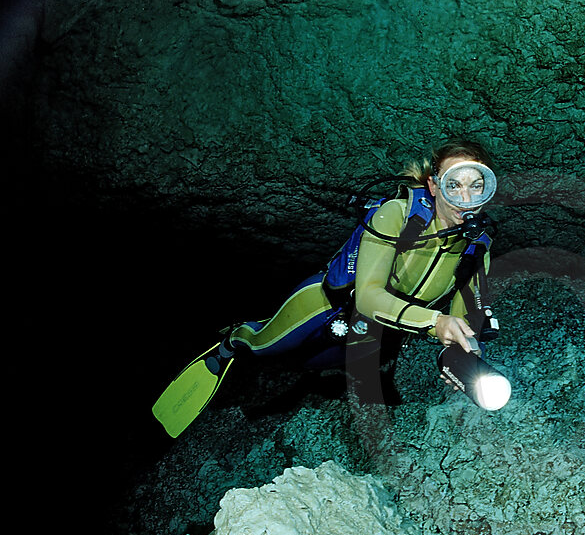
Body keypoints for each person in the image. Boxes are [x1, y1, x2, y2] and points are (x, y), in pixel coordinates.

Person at [152, 137, 499, 438]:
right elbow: (368, 296)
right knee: (264, 348)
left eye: (476, 185)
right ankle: (232, 340)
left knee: (303, 366)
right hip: (323, 306)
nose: (465, 197)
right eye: (454, 184)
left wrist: (463, 357)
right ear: (434, 186)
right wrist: (435, 323)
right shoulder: (395, 214)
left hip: (378, 333)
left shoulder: (478, 248)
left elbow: (460, 320)